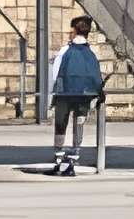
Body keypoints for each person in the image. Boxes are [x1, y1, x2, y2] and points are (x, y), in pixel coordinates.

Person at [48, 14, 104, 177]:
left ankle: (59, 160)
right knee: (78, 125)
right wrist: (98, 92)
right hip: (84, 96)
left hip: (64, 94)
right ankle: (73, 158)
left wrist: (54, 93)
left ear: (75, 31)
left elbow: (55, 73)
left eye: (71, 30)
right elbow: (95, 75)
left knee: (61, 125)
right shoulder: (90, 53)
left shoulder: (66, 51)